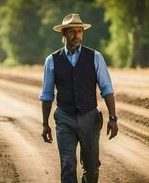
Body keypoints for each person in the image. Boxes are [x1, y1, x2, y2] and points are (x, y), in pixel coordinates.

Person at [40, 14, 118, 183]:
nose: (76, 35)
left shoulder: (95, 57)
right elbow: (47, 95)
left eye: (80, 31)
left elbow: (107, 89)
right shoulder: (51, 60)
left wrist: (113, 118)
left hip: (90, 117)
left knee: (91, 168)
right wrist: (45, 124)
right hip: (64, 118)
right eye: (72, 32)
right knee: (67, 164)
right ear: (64, 34)